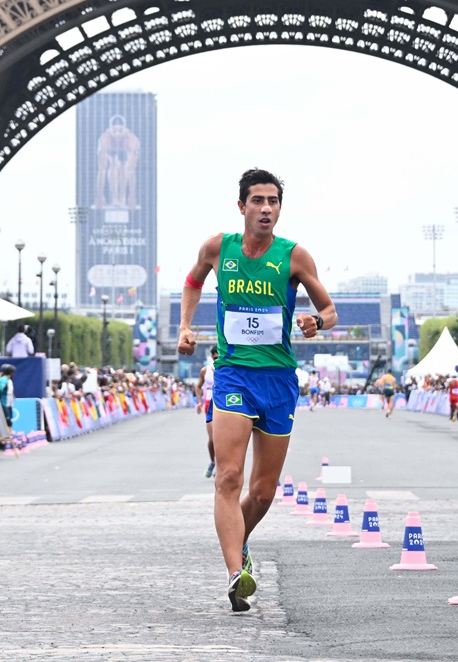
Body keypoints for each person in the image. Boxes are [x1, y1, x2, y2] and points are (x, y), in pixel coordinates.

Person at [176, 168, 337, 613]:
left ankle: (239, 542)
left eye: (274, 201)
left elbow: (329, 309)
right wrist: (186, 326)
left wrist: (315, 322)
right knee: (229, 476)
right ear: (242, 205)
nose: (266, 208)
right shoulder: (217, 248)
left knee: (264, 491)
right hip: (233, 375)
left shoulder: (294, 257)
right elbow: (192, 281)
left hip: (279, 380)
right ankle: (235, 574)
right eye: (258, 201)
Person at [196, 349, 218, 476]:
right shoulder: (206, 370)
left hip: (223, 404)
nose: (217, 360)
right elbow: (198, 387)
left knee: (223, 438)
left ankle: (221, 465)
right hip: (209, 405)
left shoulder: (228, 368)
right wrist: (199, 402)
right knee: (213, 438)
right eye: (215, 358)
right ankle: (212, 462)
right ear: (211, 357)